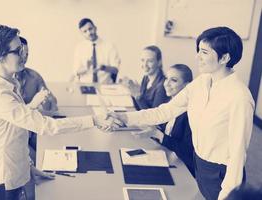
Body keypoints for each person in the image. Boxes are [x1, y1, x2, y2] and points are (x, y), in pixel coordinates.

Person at [107, 27, 254, 200]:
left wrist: (228, 196)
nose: (198, 57)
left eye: (204, 52)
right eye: (198, 50)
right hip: (198, 166)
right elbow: (165, 111)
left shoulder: (239, 97)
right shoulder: (202, 82)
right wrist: (124, 118)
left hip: (221, 175)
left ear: (224, 58)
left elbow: (237, 156)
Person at [0, 24, 110, 199]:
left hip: (16, 174)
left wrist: (28, 166)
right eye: (18, 51)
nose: (24, 54)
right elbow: (47, 126)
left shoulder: (9, 84)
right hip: (2, 185)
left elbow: (13, 133)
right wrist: (93, 120)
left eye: (23, 48)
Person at [151, 64, 195, 177]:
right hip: (167, 157)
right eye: (166, 78)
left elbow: (188, 152)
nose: (166, 83)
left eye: (174, 80)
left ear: (187, 86)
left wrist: (159, 135)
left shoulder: (190, 113)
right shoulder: (169, 103)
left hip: (183, 170)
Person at [15, 37, 58, 116]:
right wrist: (33, 104)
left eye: (27, 54)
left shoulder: (34, 76)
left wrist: (48, 101)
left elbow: (52, 103)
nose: (24, 57)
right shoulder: (4, 81)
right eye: (21, 53)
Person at [120, 45, 169, 110]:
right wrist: (132, 90)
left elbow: (153, 117)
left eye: (150, 61)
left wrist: (137, 95)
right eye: (143, 60)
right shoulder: (146, 78)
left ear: (159, 62)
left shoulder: (162, 86)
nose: (145, 65)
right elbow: (139, 108)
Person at [73, 18, 121, 84]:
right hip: (86, 87)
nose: (89, 33)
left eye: (90, 29)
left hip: (105, 87)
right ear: (82, 34)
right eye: (85, 31)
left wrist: (103, 67)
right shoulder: (80, 48)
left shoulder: (110, 46)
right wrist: (87, 68)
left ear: (95, 28)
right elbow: (76, 72)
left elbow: (115, 70)